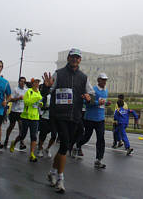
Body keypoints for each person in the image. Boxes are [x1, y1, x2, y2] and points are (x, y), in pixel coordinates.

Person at [42, 48, 94, 193]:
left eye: (78, 58)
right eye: (73, 57)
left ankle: (52, 171)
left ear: (80, 60)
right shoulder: (58, 74)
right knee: (65, 143)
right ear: (68, 58)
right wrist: (45, 88)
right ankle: (60, 179)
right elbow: (47, 91)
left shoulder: (83, 77)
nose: (75, 60)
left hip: (74, 116)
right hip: (59, 115)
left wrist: (90, 98)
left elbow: (91, 94)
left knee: (64, 147)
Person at [76, 73, 111, 169]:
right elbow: (86, 103)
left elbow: (102, 104)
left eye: (105, 80)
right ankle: (78, 145)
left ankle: (98, 159)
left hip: (100, 119)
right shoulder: (93, 91)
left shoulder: (106, 91)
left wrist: (106, 103)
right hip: (90, 118)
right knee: (87, 136)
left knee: (101, 139)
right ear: (98, 80)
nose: (104, 82)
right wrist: (97, 102)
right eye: (102, 80)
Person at [10, 78, 43, 162]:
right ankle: (14, 142)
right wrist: (35, 99)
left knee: (34, 136)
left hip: (35, 117)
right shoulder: (29, 91)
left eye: (38, 83)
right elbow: (26, 102)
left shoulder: (38, 92)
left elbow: (39, 102)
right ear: (32, 84)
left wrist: (40, 104)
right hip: (26, 117)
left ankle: (32, 154)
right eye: (36, 83)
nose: (37, 84)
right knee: (22, 135)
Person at [4, 76, 27, 150]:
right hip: (14, 111)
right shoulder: (15, 90)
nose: (22, 83)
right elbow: (10, 99)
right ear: (19, 82)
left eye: (24, 81)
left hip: (22, 111)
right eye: (21, 81)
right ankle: (7, 139)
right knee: (11, 126)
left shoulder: (26, 91)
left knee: (21, 127)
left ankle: (21, 142)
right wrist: (18, 98)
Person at [36, 90, 57, 158]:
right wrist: (49, 108)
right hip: (45, 118)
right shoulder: (47, 97)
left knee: (54, 135)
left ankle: (48, 148)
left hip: (54, 119)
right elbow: (41, 107)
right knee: (43, 134)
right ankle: (40, 148)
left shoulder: (58, 98)